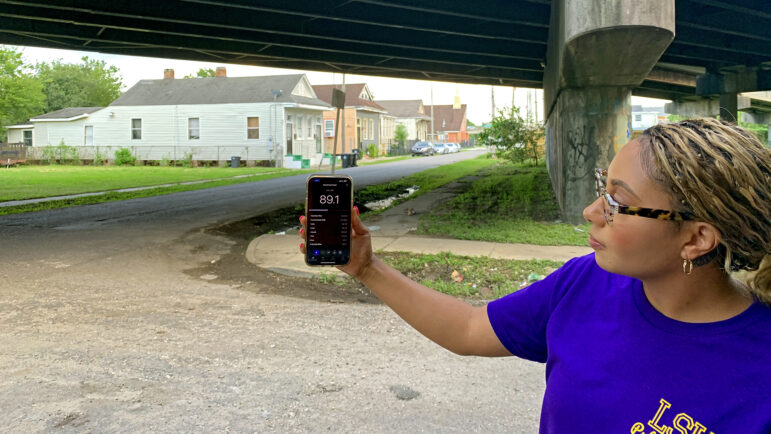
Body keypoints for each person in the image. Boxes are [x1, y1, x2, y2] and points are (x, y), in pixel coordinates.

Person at [299, 118, 771, 432]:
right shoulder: (585, 283)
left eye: (617, 204)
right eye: (599, 191)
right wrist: (366, 267)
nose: (591, 212)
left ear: (696, 239)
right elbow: (468, 328)